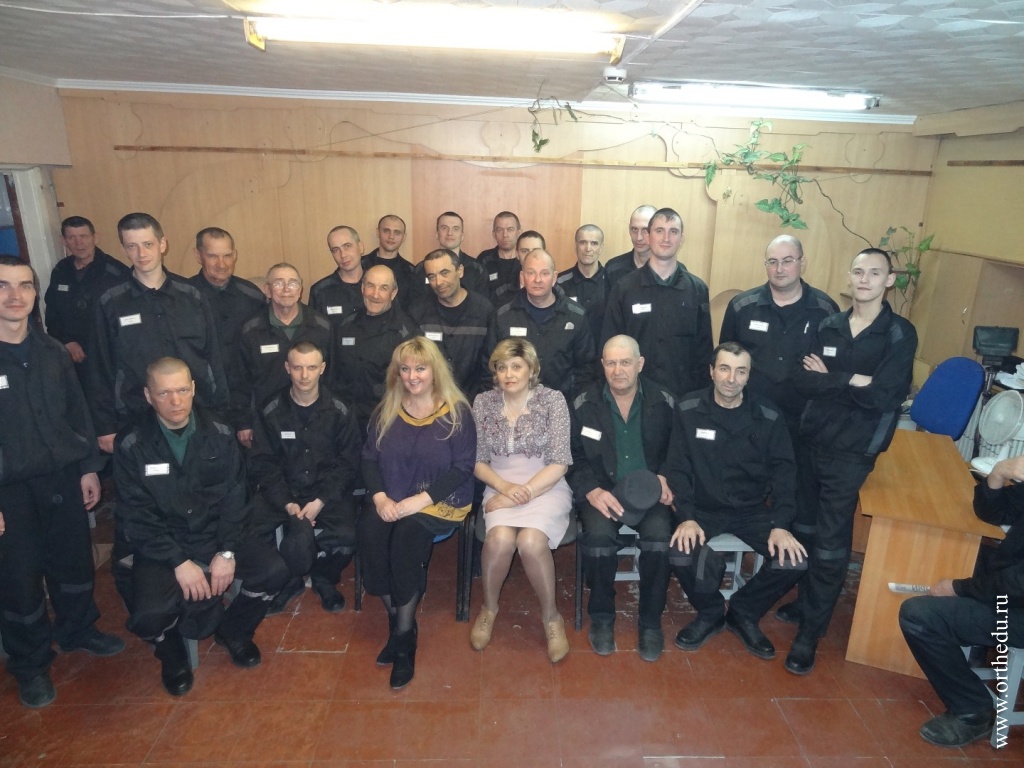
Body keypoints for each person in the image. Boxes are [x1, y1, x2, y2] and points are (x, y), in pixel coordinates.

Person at [114, 358, 289, 697]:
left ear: (194, 388)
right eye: (164, 393)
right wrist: (179, 562)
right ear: (148, 396)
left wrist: (227, 551)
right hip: (163, 543)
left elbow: (236, 498)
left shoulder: (220, 432)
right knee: (148, 615)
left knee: (274, 570)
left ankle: (234, 631)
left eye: (182, 390)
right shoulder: (131, 444)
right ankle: (172, 654)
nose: (175, 401)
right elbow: (136, 515)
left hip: (216, 533)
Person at [785, 248, 917, 675]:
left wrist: (830, 378)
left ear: (889, 280)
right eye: (858, 271)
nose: (864, 279)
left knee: (830, 541)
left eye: (874, 273)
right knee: (804, 527)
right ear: (849, 276)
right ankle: (806, 602)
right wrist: (853, 380)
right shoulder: (829, 324)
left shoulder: (898, 333)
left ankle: (811, 632)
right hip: (812, 441)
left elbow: (886, 394)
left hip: (853, 452)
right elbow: (801, 378)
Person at [0, 256, 124, 709]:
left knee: (73, 562)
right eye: (3, 285)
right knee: (19, 579)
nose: (15, 295)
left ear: (36, 293)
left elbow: (77, 414)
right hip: (9, 492)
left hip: (61, 479)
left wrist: (88, 467)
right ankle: (30, 663)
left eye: (24, 285)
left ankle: (77, 629)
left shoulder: (52, 352)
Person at [718, 234, 839, 625]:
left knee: (801, 511)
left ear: (802, 262)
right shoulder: (742, 306)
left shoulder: (826, 310)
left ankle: (797, 594)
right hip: (749, 428)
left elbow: (834, 367)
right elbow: (726, 364)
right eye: (772, 261)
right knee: (739, 499)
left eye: (788, 260)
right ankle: (722, 571)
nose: (780, 268)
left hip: (804, 430)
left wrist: (832, 374)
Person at [665, 342, 807, 661]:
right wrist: (686, 516)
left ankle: (743, 612)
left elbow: (785, 474)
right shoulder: (688, 409)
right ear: (711, 371)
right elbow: (678, 467)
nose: (731, 378)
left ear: (748, 376)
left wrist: (781, 524)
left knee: (793, 561)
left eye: (740, 371)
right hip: (702, 509)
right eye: (725, 369)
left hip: (751, 511)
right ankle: (711, 612)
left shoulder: (769, 416)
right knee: (680, 554)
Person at [358, 337, 477, 689]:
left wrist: (420, 500)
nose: (412, 376)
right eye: (405, 369)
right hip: (392, 497)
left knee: (406, 540)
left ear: (434, 371)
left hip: (440, 501)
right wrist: (380, 498)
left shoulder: (457, 412)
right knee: (369, 535)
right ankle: (397, 620)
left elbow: (463, 468)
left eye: (420, 368)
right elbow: (368, 458)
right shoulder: (387, 409)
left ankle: (405, 639)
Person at [899, 455, 1024, 748]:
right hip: (1011, 592)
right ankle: (976, 651)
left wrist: (958, 588)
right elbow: (992, 512)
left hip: (1017, 606)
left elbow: (1016, 584)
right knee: (975, 555)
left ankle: (973, 712)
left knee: (919, 616)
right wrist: (999, 473)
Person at [568, 335, 675, 660]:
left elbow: (680, 450)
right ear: (602, 365)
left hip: (650, 493)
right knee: (598, 541)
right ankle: (602, 617)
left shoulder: (665, 401)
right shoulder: (582, 404)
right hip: (604, 491)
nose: (618, 370)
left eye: (625, 362)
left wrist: (666, 476)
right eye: (611, 363)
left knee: (659, 540)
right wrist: (591, 490)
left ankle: (650, 621)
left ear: (640, 364)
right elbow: (571, 456)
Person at [89, 212, 228, 453]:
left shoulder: (192, 296)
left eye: (148, 244)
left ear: (162, 244)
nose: (141, 254)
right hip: (136, 414)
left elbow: (213, 356)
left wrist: (223, 411)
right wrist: (105, 426)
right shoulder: (110, 302)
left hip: (198, 411)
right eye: (132, 246)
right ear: (123, 249)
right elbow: (100, 367)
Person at [471, 339, 573, 663]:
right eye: (502, 368)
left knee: (530, 542)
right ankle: (489, 608)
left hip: (546, 485)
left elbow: (560, 462)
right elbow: (477, 461)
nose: (509, 374)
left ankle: (551, 617)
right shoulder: (483, 403)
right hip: (499, 484)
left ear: (532, 369)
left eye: (516, 367)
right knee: (499, 540)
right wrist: (504, 489)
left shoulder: (553, 400)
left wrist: (523, 493)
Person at [250, 342, 361, 615]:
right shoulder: (270, 409)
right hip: (284, 492)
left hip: (326, 492)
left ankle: (323, 577)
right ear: (287, 368)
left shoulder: (341, 409)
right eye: (297, 367)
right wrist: (287, 503)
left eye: (311, 367)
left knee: (349, 535)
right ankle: (289, 580)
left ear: (322, 368)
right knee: (249, 530)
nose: (304, 375)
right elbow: (264, 463)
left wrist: (321, 500)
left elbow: (348, 464)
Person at [602, 207, 713, 397]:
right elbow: (610, 344)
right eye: (659, 230)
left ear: (682, 238)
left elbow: (704, 350)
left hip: (683, 395)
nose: (666, 238)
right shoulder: (624, 288)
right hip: (636, 395)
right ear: (648, 236)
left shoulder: (697, 289)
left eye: (673, 231)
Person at [232, 263, 332, 448]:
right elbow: (239, 379)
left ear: (300, 289)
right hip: (266, 422)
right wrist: (244, 422)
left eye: (292, 283)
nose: (286, 289)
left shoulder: (321, 326)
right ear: (267, 290)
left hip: (313, 419)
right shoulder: (250, 330)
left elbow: (332, 375)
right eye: (279, 283)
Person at [491, 249, 595, 400]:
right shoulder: (503, 317)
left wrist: (570, 401)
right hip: (515, 404)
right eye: (531, 273)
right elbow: (491, 365)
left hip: (564, 403)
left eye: (544, 273)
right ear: (522, 277)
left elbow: (587, 368)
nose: (537, 279)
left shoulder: (576, 316)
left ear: (554, 278)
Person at [331, 264, 421, 433]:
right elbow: (334, 373)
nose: (375, 295)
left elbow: (414, 384)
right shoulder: (346, 325)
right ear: (362, 288)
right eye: (370, 286)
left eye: (383, 288)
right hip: (348, 422)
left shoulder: (406, 332)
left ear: (393, 293)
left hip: (387, 421)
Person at [44, 215, 130, 380]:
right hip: (70, 357)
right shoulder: (61, 270)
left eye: (83, 236)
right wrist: (66, 341)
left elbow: (126, 318)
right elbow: (52, 312)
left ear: (95, 238)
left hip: (108, 358)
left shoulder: (116, 272)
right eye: (72, 238)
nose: (79, 243)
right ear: (63, 241)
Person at [409, 248, 496, 399]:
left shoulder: (484, 310)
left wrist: (480, 401)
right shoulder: (417, 312)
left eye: (444, 273)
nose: (438, 282)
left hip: (474, 400)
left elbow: (490, 363)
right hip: (431, 399)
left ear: (460, 271)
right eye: (432, 276)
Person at [186, 227, 266, 367]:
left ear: (235, 255)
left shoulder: (253, 296)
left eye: (227, 256)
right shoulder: (183, 297)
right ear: (198, 256)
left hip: (245, 379)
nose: (221, 264)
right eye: (213, 256)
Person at [411, 212, 489, 301]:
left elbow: (482, 304)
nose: (450, 233)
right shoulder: (421, 269)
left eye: (455, 229)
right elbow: (416, 304)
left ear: (462, 236)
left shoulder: (477, 269)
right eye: (444, 228)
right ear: (437, 234)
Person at [557, 224, 608, 342]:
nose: (588, 248)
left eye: (594, 243)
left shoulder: (613, 282)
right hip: (570, 350)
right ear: (575, 246)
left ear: (601, 248)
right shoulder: (559, 283)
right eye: (583, 242)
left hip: (603, 350)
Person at [310, 225, 365, 328]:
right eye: (335, 250)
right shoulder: (320, 291)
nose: (343, 255)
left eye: (347, 246)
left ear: (361, 247)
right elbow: (316, 332)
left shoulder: (378, 284)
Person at [362, 215, 416, 309]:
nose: (391, 236)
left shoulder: (411, 271)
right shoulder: (360, 265)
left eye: (397, 232)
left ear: (404, 237)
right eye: (386, 231)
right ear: (378, 232)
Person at [604, 205, 656, 289]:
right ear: (629, 229)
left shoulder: (669, 271)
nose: (639, 237)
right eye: (634, 229)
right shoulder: (613, 268)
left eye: (645, 230)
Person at [477, 211, 522, 306]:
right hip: (490, 313)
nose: (505, 235)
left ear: (519, 232)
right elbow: (478, 295)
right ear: (494, 234)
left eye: (510, 229)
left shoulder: (526, 260)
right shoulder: (484, 259)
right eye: (499, 230)